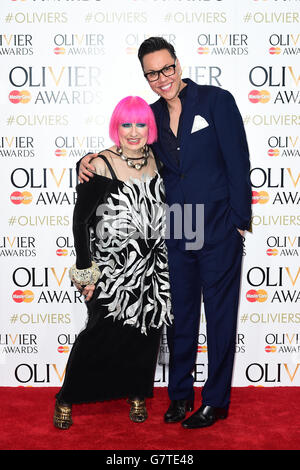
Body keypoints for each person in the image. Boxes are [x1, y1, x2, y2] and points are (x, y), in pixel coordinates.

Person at [78, 37, 252, 429]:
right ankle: (178, 397)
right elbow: (129, 147)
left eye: (167, 68)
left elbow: (239, 161)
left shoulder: (216, 101)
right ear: (146, 76)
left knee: (221, 319)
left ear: (178, 63)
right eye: (152, 74)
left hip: (220, 225)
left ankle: (216, 401)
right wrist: (85, 160)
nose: (162, 79)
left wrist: (239, 220)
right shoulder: (152, 116)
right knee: (180, 319)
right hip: (179, 226)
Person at [53, 95, 173, 429]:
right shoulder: (100, 165)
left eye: (141, 124)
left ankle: (136, 392)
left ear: (150, 128)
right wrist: (86, 272)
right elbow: (81, 222)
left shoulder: (159, 159)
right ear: (116, 127)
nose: (133, 132)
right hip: (111, 270)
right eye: (126, 124)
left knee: (145, 334)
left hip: (152, 267)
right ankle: (66, 397)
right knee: (98, 335)